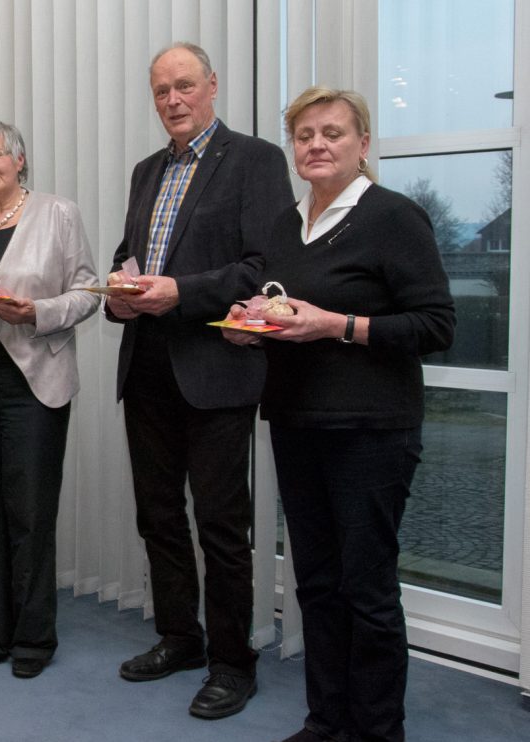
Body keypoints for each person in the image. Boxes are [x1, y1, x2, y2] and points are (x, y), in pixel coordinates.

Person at [222, 87, 454, 742]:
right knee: (318, 586)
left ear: (363, 144)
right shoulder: (282, 225)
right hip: (298, 424)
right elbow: (282, 314)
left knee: (368, 591)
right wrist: (250, 328)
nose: (317, 145)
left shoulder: (393, 217)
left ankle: (378, 732)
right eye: (305, 135)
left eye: (332, 133)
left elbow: (437, 325)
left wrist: (337, 325)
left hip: (372, 432)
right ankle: (327, 723)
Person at [104, 41, 293, 719]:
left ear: (212, 85)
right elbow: (131, 256)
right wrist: (118, 291)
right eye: (161, 91)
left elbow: (264, 268)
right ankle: (179, 638)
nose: (173, 101)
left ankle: (232, 663)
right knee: (157, 517)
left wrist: (179, 291)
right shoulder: (145, 171)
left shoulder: (256, 160)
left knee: (220, 526)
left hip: (215, 372)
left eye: (185, 86)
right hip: (147, 366)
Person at [0, 119, 100, 680]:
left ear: (20, 159)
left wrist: (35, 312)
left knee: (30, 512)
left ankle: (33, 638)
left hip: (35, 381)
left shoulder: (58, 213)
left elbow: (88, 291)